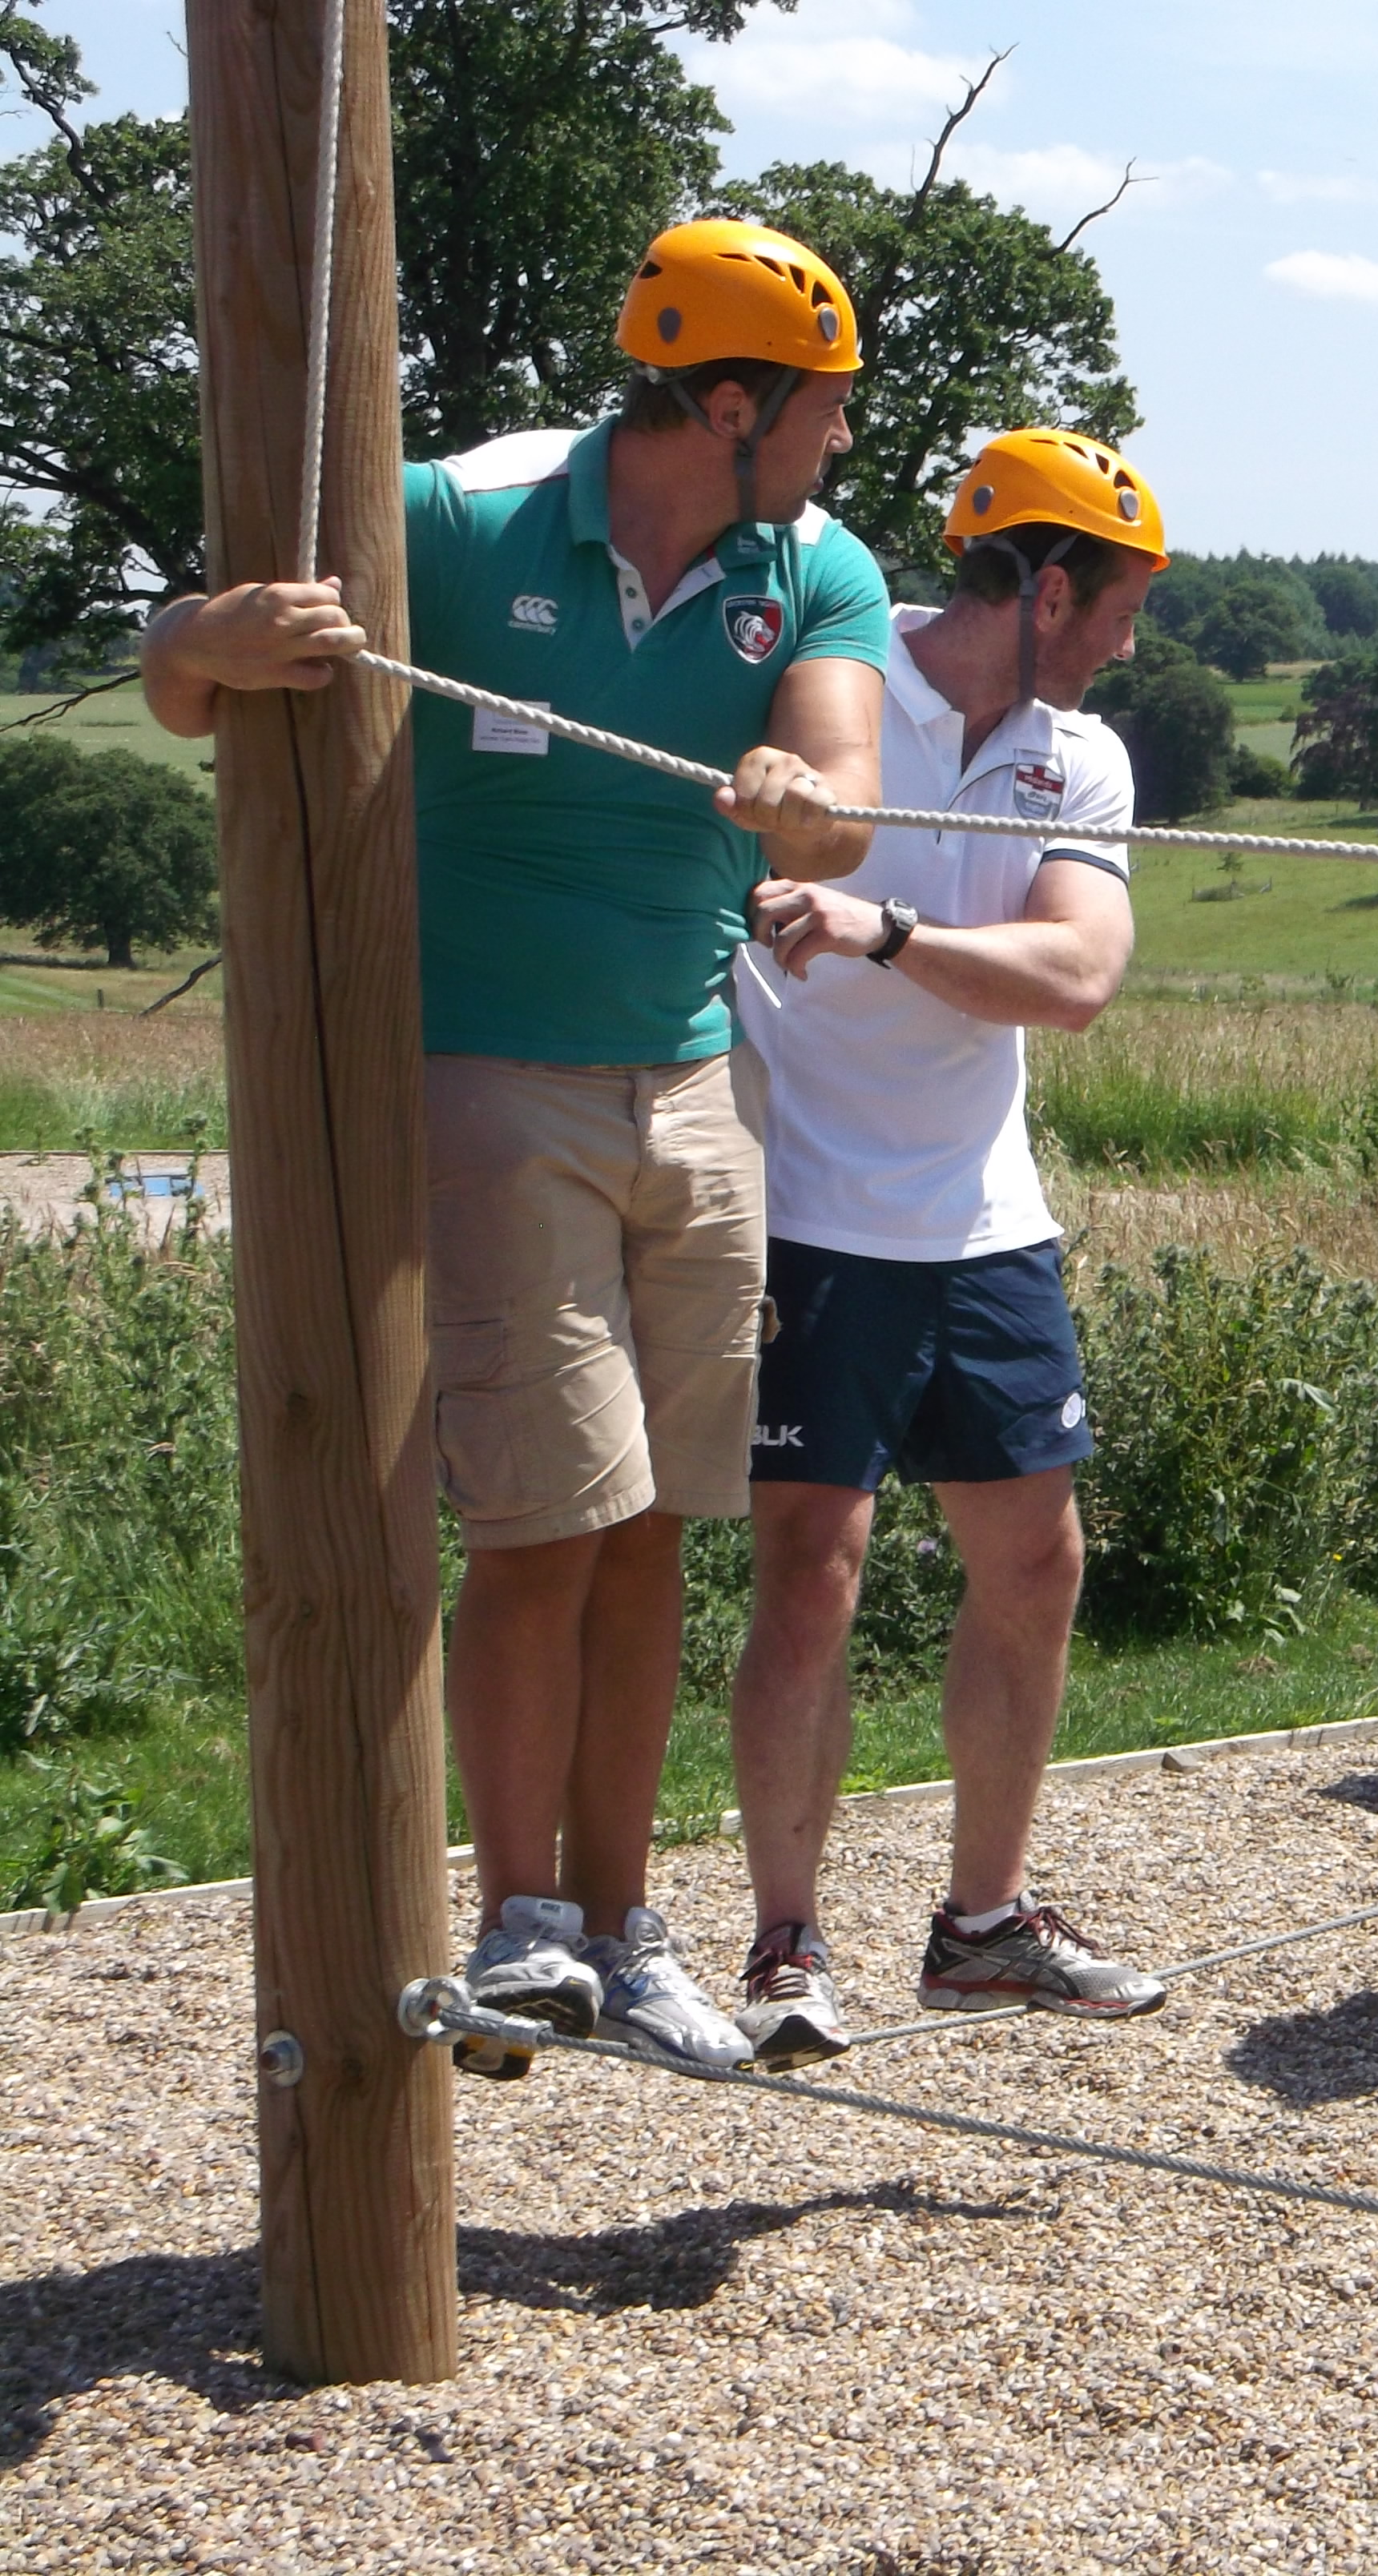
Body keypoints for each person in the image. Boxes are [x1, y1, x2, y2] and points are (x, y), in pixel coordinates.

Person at [140, 219, 891, 2072]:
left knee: (653, 1524)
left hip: (694, 1090)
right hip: (483, 1080)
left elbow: (842, 802)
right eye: (825, 410)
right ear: (730, 403)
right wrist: (196, 639)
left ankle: (626, 1931)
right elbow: (199, 668)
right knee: (547, 1519)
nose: (842, 444)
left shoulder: (813, 570)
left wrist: (805, 798)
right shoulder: (463, 526)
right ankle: (520, 1918)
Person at [723, 429, 1170, 2068]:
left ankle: (981, 1926)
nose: (1129, 641)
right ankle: (784, 1944)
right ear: (1047, 587)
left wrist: (887, 931)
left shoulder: (1084, 757)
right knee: (809, 1570)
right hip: (807, 1204)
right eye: (1118, 605)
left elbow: (1073, 975)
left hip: (982, 1214)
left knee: (1034, 1562)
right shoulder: (841, 690)